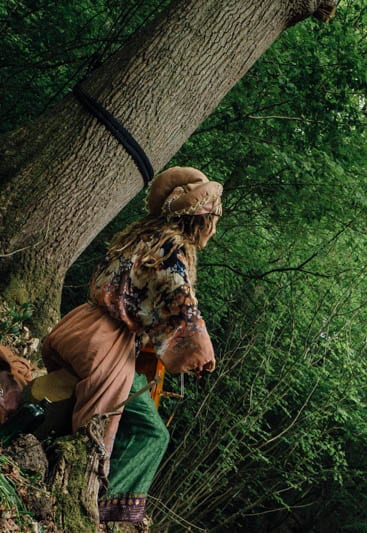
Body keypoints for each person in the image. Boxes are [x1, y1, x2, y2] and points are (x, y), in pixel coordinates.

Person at [41, 166, 221, 523]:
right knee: (98, 436)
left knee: (142, 428)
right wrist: (201, 351)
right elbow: (176, 297)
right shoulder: (171, 248)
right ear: (202, 219)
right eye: (214, 218)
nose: (215, 226)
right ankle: (90, 511)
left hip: (80, 325)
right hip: (106, 345)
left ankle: (92, 503)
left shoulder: (142, 236)